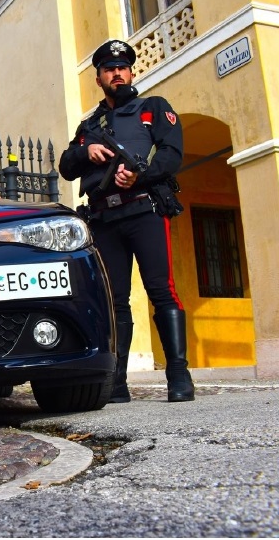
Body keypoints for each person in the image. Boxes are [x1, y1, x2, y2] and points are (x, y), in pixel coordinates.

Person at [59, 39, 194, 404]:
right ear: (99, 77)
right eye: (108, 69)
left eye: (122, 67)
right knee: (115, 300)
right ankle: (116, 382)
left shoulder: (153, 109)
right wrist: (85, 150)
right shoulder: (89, 126)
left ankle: (179, 376)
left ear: (130, 71)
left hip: (144, 210)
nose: (116, 73)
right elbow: (66, 167)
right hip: (104, 218)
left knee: (161, 290)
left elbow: (172, 154)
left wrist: (141, 176)